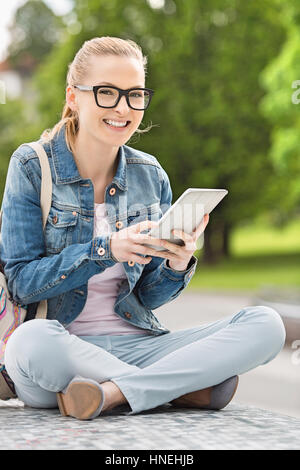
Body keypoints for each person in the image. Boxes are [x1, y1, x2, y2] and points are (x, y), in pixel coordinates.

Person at [0, 37, 286, 420]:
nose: (123, 108)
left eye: (135, 95)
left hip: (139, 345)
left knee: (265, 324)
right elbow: (20, 282)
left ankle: (113, 393)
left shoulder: (150, 175)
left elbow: (148, 299)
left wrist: (177, 265)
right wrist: (105, 250)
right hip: (62, 349)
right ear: (73, 96)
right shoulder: (32, 165)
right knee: (30, 343)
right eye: (106, 93)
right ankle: (172, 387)